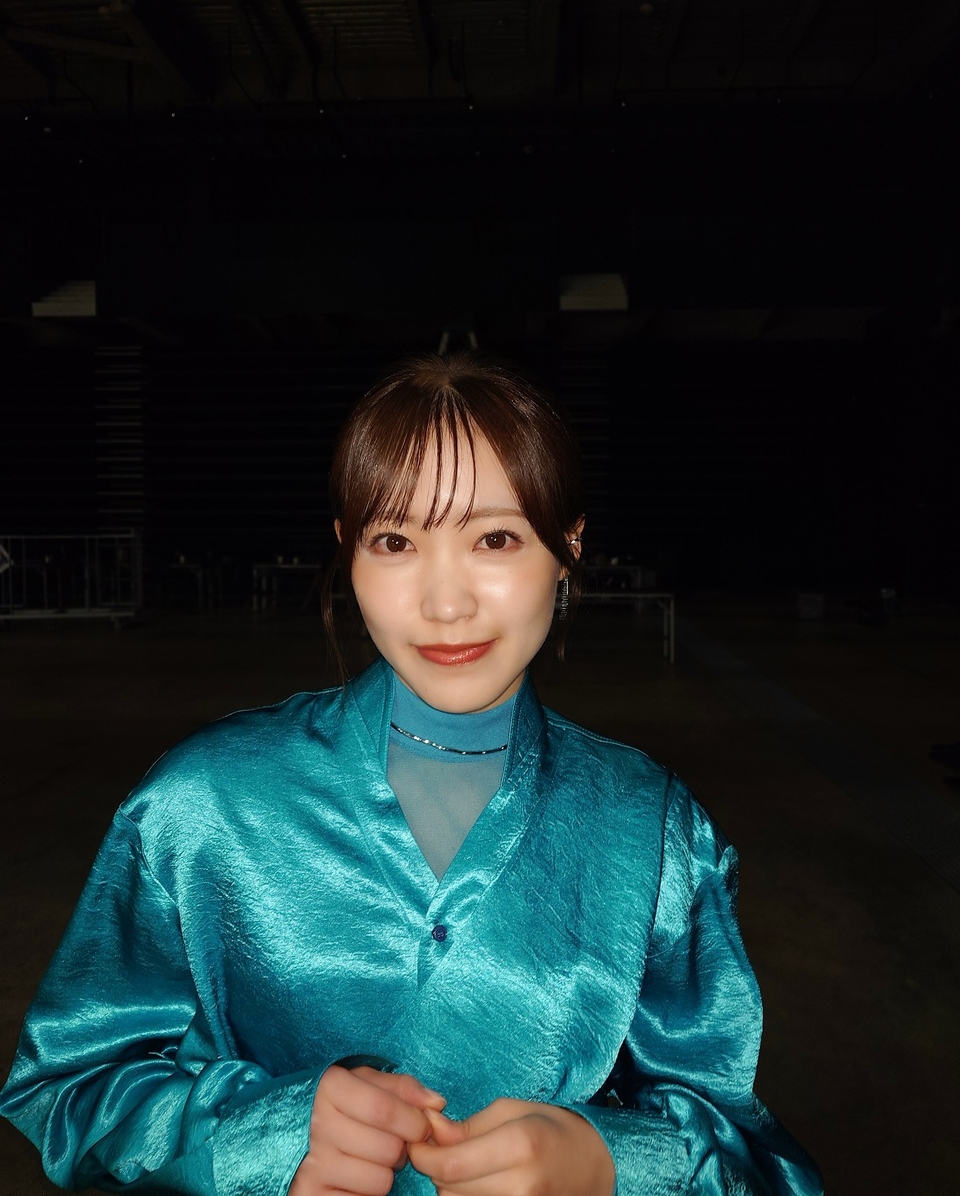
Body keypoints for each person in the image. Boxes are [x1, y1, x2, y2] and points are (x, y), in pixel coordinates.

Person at [0, 350, 822, 1196]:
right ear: (347, 550)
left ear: (568, 547)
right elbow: (65, 1088)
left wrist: (611, 1161)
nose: (445, 604)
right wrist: (262, 1139)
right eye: (395, 541)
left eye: (495, 539)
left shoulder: (651, 830)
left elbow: (751, 1156)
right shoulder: (201, 805)